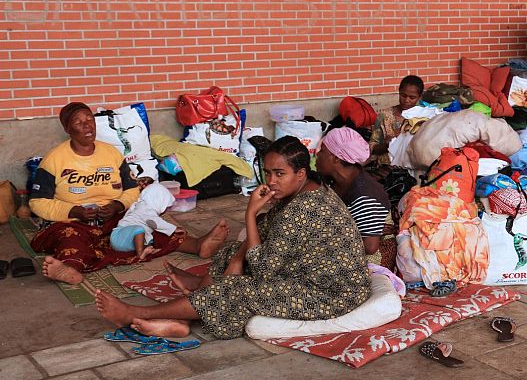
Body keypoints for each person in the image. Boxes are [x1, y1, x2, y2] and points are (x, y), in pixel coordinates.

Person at [94, 136, 372, 340]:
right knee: (232, 252)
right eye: (267, 172)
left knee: (237, 289)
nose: (271, 181)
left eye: (280, 174)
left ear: (300, 174)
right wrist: (237, 258)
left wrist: (251, 213)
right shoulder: (307, 189)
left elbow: (264, 270)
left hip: (331, 294)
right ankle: (187, 309)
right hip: (307, 273)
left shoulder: (303, 208)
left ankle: (138, 314)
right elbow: (266, 237)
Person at [30, 102, 229, 285]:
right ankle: (69, 269)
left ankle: (196, 245)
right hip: (74, 221)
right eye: (78, 122)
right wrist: (74, 211)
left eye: (89, 119)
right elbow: (38, 203)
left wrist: (117, 205)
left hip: (112, 216)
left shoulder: (111, 153)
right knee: (71, 240)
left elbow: (132, 189)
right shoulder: (54, 159)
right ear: (67, 129)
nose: (87, 126)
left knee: (148, 223)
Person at [315, 127, 391, 263]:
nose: (317, 154)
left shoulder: (364, 195)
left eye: (322, 151)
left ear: (335, 159)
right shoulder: (335, 181)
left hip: (366, 263)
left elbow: (370, 247)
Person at [110, 182, 181, 261]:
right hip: (119, 238)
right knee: (139, 229)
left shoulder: (144, 207)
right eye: (165, 206)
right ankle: (140, 254)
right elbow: (155, 223)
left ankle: (147, 249)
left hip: (128, 242)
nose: (165, 210)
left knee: (148, 238)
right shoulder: (145, 208)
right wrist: (174, 228)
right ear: (158, 201)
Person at [366, 75, 424, 169]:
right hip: (388, 169)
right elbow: (372, 147)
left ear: (419, 97)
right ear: (399, 92)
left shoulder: (423, 117)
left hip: (415, 167)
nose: (406, 100)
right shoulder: (384, 116)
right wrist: (386, 145)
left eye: (412, 97)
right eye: (403, 95)